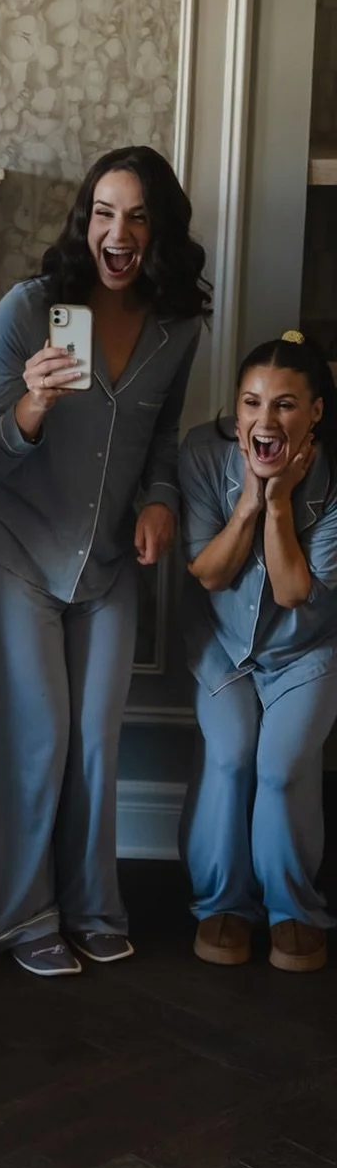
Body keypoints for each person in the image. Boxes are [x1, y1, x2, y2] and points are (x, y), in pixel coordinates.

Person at [0, 145, 209, 977]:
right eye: (104, 212)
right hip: (13, 548)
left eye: (137, 215)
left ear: (159, 230)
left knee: (97, 744)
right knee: (37, 738)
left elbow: (161, 441)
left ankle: (93, 907)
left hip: (103, 561)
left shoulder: (179, 326)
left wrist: (162, 499)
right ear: (85, 221)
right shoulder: (29, 311)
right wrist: (31, 404)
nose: (118, 230)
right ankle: (23, 917)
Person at [179, 332, 337, 973]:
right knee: (231, 754)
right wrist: (249, 497)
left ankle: (292, 909)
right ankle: (223, 903)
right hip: (224, 651)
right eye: (251, 403)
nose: (265, 421)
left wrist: (277, 506)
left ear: (316, 412)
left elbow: (296, 590)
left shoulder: (333, 478)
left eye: (286, 405)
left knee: (278, 768)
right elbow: (210, 575)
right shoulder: (200, 453)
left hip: (307, 652)